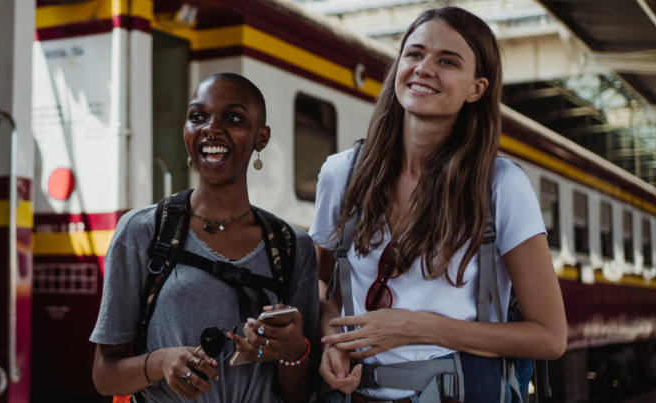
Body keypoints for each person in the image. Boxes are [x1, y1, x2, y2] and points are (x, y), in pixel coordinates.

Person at [310, 7, 567, 402]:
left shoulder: (500, 185)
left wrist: (417, 327)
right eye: (414, 54)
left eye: (447, 61)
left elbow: (549, 337)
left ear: (476, 89)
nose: (424, 68)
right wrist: (332, 336)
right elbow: (317, 283)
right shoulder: (341, 173)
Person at [91, 73, 320, 403]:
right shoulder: (143, 230)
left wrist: (292, 348)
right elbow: (104, 375)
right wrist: (159, 362)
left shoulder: (291, 246)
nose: (210, 128)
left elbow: (301, 394)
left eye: (232, 118)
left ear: (262, 137)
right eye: (197, 117)